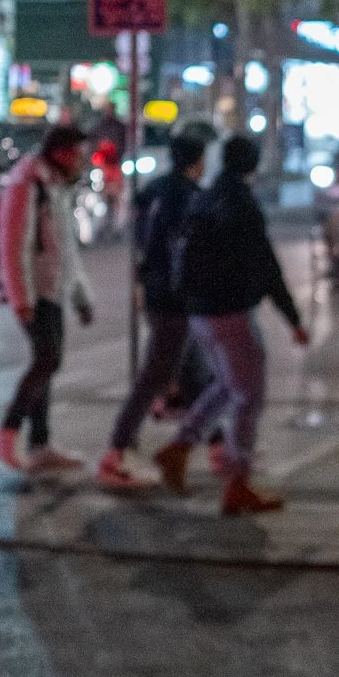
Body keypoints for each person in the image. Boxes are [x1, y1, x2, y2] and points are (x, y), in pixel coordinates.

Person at [155, 132, 308, 513]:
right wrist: (293, 319)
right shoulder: (242, 205)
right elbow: (267, 265)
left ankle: (180, 447)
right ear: (253, 165)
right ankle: (237, 482)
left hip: (200, 313)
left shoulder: (205, 198)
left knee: (226, 385)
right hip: (232, 312)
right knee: (249, 396)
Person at [95, 129, 209, 490]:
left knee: (193, 371)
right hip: (176, 298)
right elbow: (186, 251)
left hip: (156, 291)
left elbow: (142, 241)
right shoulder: (190, 198)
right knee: (154, 378)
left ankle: (222, 446)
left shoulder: (154, 190)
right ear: (197, 160)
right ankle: (116, 451)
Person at [0, 121, 95, 475]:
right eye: (80, 155)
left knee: (47, 361)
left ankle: (40, 444)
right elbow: (12, 243)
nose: (84, 162)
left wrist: (80, 295)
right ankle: (8, 432)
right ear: (61, 153)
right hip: (35, 291)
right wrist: (21, 297)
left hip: (53, 288)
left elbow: (66, 247)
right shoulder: (27, 184)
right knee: (47, 361)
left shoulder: (56, 185)